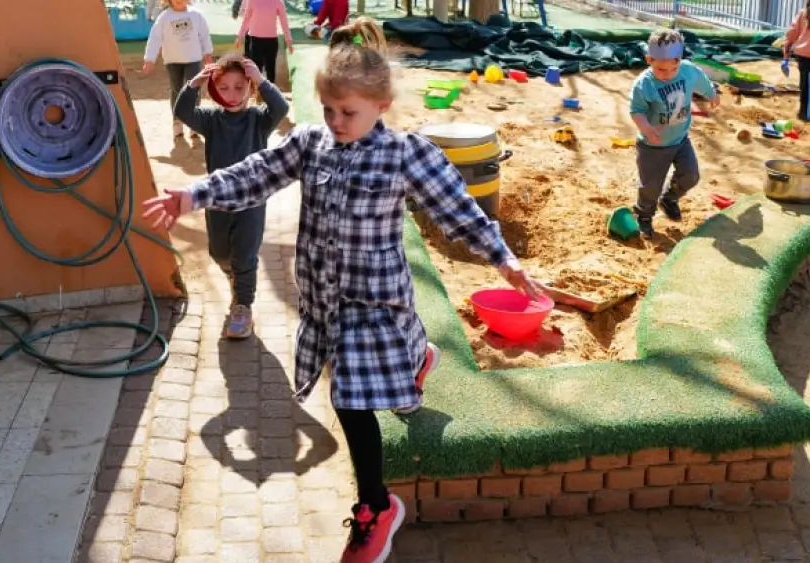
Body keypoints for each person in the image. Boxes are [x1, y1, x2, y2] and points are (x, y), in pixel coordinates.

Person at [142, 17, 542, 563]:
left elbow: (460, 212)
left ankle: (377, 507)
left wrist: (505, 261)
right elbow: (255, 172)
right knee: (364, 378)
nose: (335, 121)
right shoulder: (311, 142)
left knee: (349, 397)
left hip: (376, 300)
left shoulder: (406, 154)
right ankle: (416, 359)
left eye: (347, 112)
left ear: (381, 105)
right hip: (326, 299)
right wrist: (195, 194)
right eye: (328, 110)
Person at [172, 54, 289, 339]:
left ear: (250, 87)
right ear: (213, 90)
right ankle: (232, 275)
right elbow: (184, 112)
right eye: (224, 88)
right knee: (220, 252)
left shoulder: (258, 120)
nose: (232, 94)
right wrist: (193, 84)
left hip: (252, 201)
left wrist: (262, 80)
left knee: (245, 255)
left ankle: (243, 308)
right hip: (218, 199)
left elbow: (281, 107)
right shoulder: (211, 120)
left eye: (240, 87)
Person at [629, 28, 721, 238]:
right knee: (650, 186)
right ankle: (644, 216)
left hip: (680, 139)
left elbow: (702, 82)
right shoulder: (644, 85)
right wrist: (646, 128)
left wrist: (712, 94)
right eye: (661, 70)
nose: (668, 74)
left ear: (680, 59)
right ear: (649, 59)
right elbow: (636, 110)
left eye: (674, 68)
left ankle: (669, 198)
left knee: (691, 175)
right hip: (653, 146)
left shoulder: (687, 70)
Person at [142, 0, 214, 139]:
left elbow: (204, 36)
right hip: (172, 60)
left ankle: (194, 123)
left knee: (194, 89)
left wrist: (208, 54)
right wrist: (149, 59)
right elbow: (155, 38)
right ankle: (177, 122)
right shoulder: (164, 17)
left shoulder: (197, 15)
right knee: (176, 89)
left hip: (193, 59)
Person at [234, 0, 294, 85]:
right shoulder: (252, 1)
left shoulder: (278, 2)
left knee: (270, 69)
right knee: (256, 69)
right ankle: (257, 94)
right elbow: (246, 19)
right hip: (255, 40)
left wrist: (288, 40)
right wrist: (240, 36)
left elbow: (284, 22)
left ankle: (271, 93)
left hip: (271, 41)